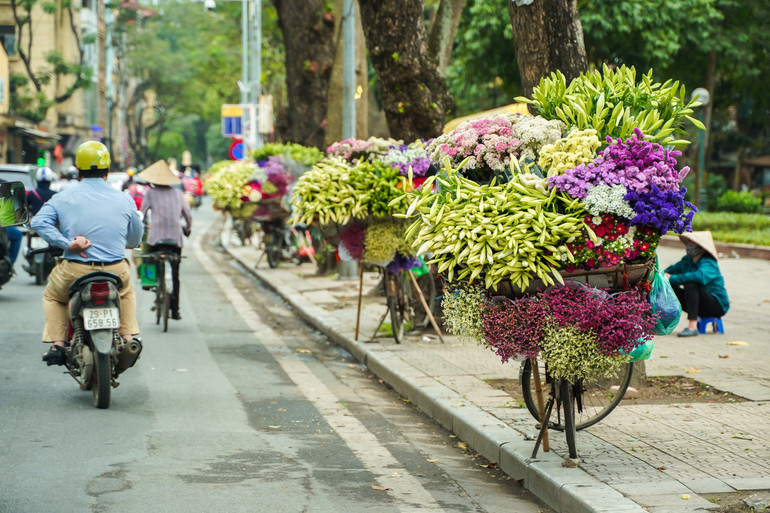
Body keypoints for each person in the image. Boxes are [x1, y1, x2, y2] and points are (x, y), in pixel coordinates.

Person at [31, 141, 144, 366]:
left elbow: (38, 222)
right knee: (126, 292)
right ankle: (128, 337)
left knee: (53, 297)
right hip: (115, 270)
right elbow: (134, 239)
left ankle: (58, 344)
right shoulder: (124, 198)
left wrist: (67, 244)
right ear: (107, 169)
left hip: (76, 270)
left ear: (78, 169)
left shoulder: (63, 197)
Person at [138, 160, 192, 320]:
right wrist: (187, 230)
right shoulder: (178, 194)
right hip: (175, 239)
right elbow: (188, 215)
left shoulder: (150, 193)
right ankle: (175, 310)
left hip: (156, 238)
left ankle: (151, 282)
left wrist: (142, 228)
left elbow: (141, 213)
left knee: (149, 258)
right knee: (175, 274)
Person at [664, 231, 730, 337]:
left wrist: (672, 277)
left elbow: (699, 277)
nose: (689, 245)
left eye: (693, 242)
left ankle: (692, 327)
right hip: (696, 303)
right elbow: (671, 270)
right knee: (668, 285)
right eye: (689, 242)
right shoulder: (687, 261)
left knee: (692, 284)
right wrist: (661, 276)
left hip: (717, 305)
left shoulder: (709, 263)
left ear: (701, 247)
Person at [0, 181, 25, 272]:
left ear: (8, 188)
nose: (2, 189)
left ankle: (11, 262)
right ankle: (11, 262)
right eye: (1, 187)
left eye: (3, 187)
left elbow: (18, 217)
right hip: (5, 228)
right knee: (18, 234)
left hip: (6, 228)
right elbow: (19, 220)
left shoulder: (14, 200)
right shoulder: (2, 200)